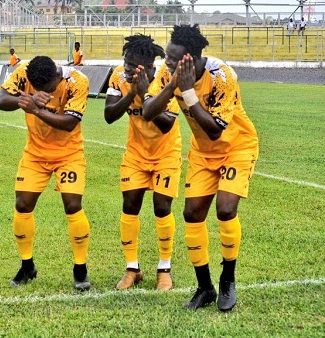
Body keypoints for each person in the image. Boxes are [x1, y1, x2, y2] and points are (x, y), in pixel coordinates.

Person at [143, 24, 259, 312]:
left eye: (173, 59)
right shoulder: (168, 74)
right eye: (167, 57)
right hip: (203, 154)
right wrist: (172, 85)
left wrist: (188, 92)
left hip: (236, 147)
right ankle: (205, 287)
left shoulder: (222, 75)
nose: (167, 63)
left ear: (192, 58)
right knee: (192, 213)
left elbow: (215, 130)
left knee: (225, 209)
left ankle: (228, 281)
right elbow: (148, 112)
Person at [0, 56, 92, 291]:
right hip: (35, 155)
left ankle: (80, 268)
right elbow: (0, 101)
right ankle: (27, 266)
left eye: (48, 89)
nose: (44, 93)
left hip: (68, 154)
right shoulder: (24, 71)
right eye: (37, 89)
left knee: (72, 205)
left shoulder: (78, 81)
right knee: (22, 205)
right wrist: (24, 99)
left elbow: (69, 123)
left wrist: (36, 110)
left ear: (57, 77)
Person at [104, 34, 181, 291]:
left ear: (148, 68)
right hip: (136, 154)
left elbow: (167, 123)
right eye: (125, 62)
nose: (126, 68)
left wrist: (146, 92)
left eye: (132, 65)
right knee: (130, 204)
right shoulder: (118, 76)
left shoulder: (166, 79)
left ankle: (164, 269)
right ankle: (132, 269)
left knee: (162, 206)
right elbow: (109, 115)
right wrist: (132, 94)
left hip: (166, 153)